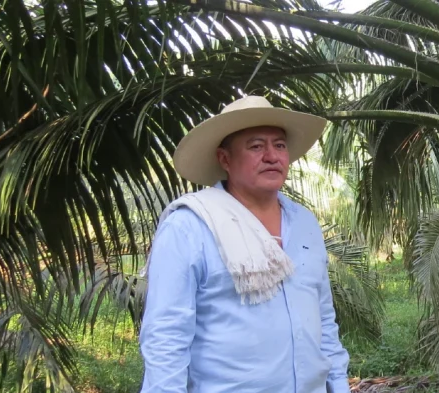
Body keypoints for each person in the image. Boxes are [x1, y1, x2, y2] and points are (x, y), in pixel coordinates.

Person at [138, 95, 350, 393]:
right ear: (224, 158)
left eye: (279, 145)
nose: (272, 156)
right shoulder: (190, 227)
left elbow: (324, 318)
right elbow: (166, 336)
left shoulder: (304, 224)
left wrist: (339, 385)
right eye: (255, 146)